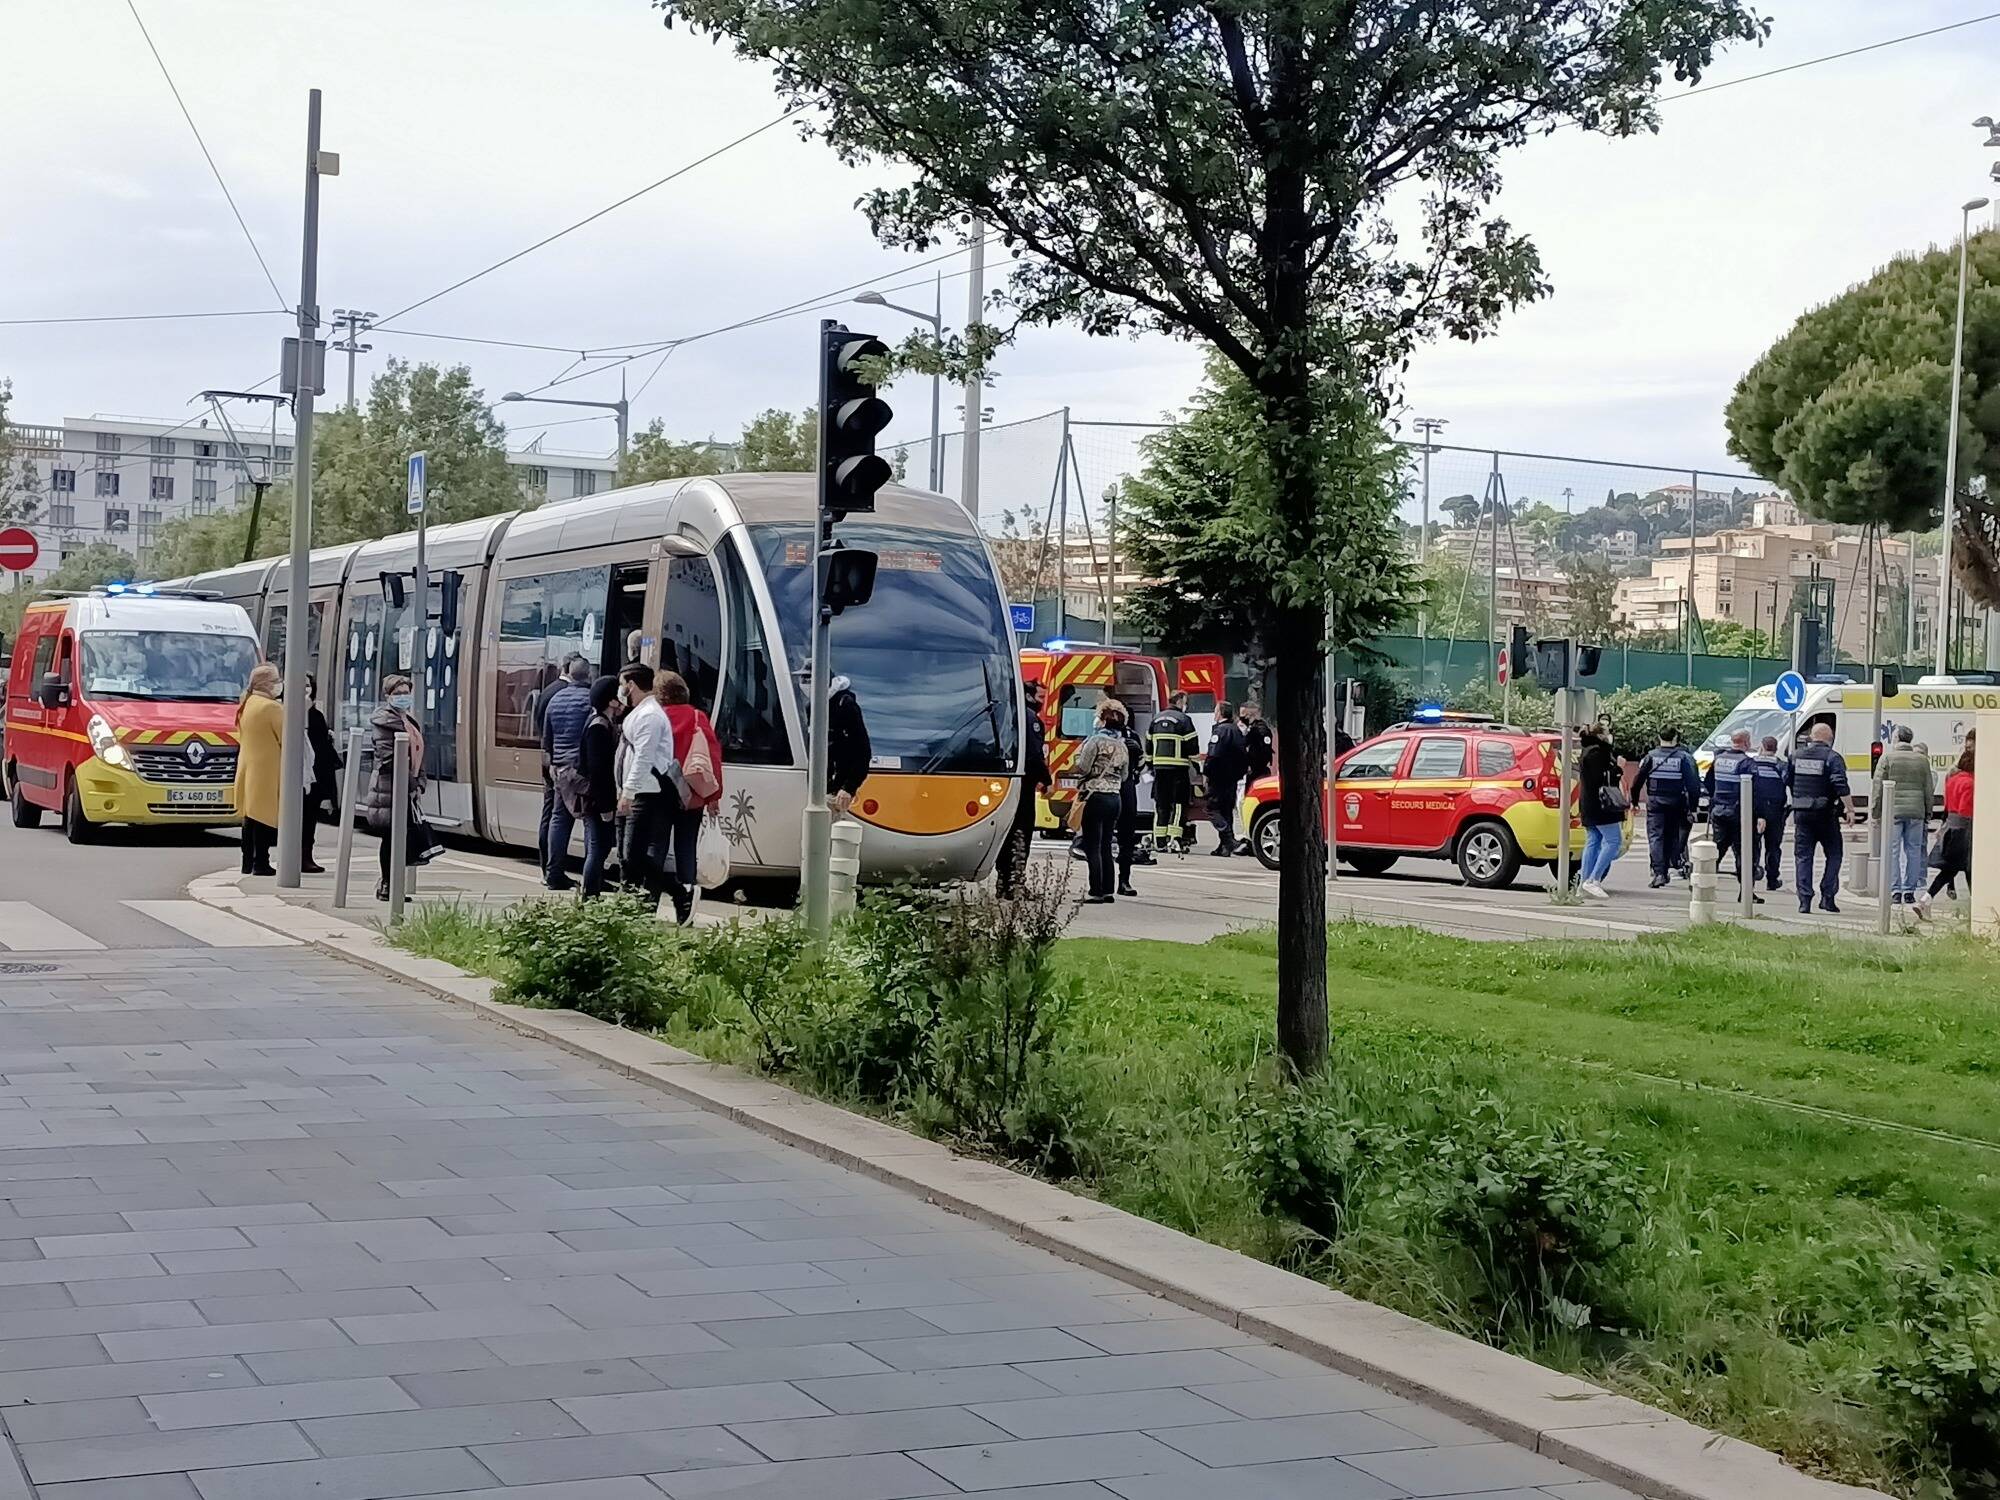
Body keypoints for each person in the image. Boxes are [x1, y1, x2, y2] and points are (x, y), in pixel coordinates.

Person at [657, 670, 723, 925]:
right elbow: (712, 757)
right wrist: (714, 796)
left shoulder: (656, 717)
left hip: (659, 793)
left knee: (656, 849)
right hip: (691, 795)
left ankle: (649, 902)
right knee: (686, 848)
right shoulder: (697, 717)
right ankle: (686, 903)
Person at [617, 662, 682, 901]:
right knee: (629, 856)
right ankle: (633, 906)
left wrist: (628, 792)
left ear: (631, 685)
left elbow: (643, 758)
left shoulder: (650, 716)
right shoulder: (642, 712)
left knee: (633, 855)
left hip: (649, 793)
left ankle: (677, 891)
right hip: (639, 791)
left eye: (622, 685)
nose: (621, 690)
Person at [362, 675, 425, 902]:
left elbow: (417, 753)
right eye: (398, 694)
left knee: (400, 838)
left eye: (406, 692)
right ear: (388, 696)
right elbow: (390, 758)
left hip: (406, 788)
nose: (403, 697)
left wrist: (420, 782)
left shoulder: (409, 721)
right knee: (391, 838)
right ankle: (387, 885)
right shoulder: (384, 721)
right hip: (389, 789)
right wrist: (412, 783)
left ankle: (393, 885)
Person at [538, 655, 595, 891]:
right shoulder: (590, 700)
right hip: (582, 769)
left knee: (559, 820)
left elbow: (546, 739)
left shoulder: (556, 699)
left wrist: (552, 763)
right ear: (589, 675)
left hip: (559, 768)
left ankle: (554, 873)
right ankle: (593, 875)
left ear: (569, 674)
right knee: (591, 821)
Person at [1788, 720, 1852, 915]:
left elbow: (1789, 781)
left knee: (1803, 857)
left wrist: (1800, 799)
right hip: (1826, 814)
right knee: (1834, 854)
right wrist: (1850, 809)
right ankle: (1828, 896)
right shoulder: (1833, 758)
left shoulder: (1795, 757)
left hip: (1802, 813)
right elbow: (1840, 784)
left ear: (1811, 737)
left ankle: (1804, 901)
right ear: (1830, 739)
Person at [997, 678, 1050, 898]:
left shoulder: (1009, 716)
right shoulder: (1031, 720)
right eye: (1040, 698)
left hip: (1008, 783)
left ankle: (1002, 883)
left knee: (1007, 834)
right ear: (1028, 696)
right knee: (1021, 834)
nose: (1042, 703)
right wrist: (1046, 779)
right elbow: (1035, 755)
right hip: (1024, 785)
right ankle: (1016, 885)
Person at [1873, 724, 1935, 910]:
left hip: (1893, 812)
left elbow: (1878, 787)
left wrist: (1876, 812)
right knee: (1914, 850)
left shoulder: (1887, 758)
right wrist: (1928, 812)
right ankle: (1910, 890)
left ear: (1896, 739)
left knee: (1892, 850)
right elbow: (1928, 789)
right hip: (1916, 811)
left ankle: (1895, 890)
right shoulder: (1922, 761)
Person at [1074, 700, 1129, 903]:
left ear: (1103, 719)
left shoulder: (1095, 741)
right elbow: (1124, 776)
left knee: (1092, 845)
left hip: (1095, 796)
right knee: (1106, 845)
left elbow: (1084, 767)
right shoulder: (1122, 746)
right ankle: (1108, 890)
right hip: (1115, 798)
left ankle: (1095, 890)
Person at [233, 662, 284, 878]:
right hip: (267, 769)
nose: (279, 685)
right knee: (263, 817)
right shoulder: (271, 708)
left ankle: (248, 861)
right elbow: (286, 737)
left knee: (250, 817)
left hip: (248, 766)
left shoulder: (248, 703)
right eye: (276, 681)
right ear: (266, 684)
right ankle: (261, 862)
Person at [1633, 726, 1698, 888]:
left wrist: (1634, 801)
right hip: (1677, 802)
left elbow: (1638, 781)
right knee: (1673, 835)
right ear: (1676, 737)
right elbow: (1693, 785)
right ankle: (1672, 863)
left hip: (1655, 801)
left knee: (1656, 837)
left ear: (1659, 737)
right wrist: (1693, 807)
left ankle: (1659, 873)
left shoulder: (1651, 757)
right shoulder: (1684, 758)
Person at [1703, 729, 1761, 904]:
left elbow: (1708, 783)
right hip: (1740, 814)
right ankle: (1746, 893)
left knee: (1717, 850)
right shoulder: (1747, 763)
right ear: (1746, 742)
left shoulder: (1719, 760)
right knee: (1744, 853)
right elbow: (1755, 791)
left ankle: (1700, 883)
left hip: (1719, 811)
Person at [579, 675, 623, 898]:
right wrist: (606, 806)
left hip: (596, 797)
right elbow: (598, 771)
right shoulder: (599, 727)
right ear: (611, 701)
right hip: (597, 800)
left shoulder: (600, 723)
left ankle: (591, 891)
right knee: (598, 847)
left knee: (600, 846)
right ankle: (589, 895)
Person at [1575, 723, 1624, 900]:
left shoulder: (1588, 750)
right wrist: (1618, 768)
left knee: (1593, 840)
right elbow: (1602, 778)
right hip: (1602, 804)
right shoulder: (1598, 753)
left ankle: (1583, 884)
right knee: (1614, 841)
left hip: (1589, 803)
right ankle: (1593, 879)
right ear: (1602, 735)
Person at [1148, 691, 1199, 854]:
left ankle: (1159, 841)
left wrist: (1150, 764)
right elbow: (1193, 747)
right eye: (1184, 701)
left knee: (1161, 805)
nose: (1185, 705)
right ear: (1179, 701)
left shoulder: (1155, 719)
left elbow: (1148, 745)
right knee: (1178, 805)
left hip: (1159, 769)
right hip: (1178, 769)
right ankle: (1174, 839)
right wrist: (1197, 767)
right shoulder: (1184, 720)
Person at [300, 673, 341, 876]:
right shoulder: (286, 713)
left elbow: (322, 751)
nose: (304, 689)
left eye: (307, 685)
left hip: (314, 776)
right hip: (296, 776)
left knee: (309, 819)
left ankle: (306, 856)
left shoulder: (316, 715)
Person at [1930, 742, 1975, 902]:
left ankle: (1926, 899)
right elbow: (1965, 810)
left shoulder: (1952, 780)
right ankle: (1977, 901)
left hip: (1950, 825)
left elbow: (1947, 806)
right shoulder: (1970, 782)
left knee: (1951, 867)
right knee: (1966, 867)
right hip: (1963, 830)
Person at [1203, 701, 1249, 857]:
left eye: (1216, 711)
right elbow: (1243, 756)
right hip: (1232, 779)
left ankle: (1229, 840)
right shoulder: (1237, 730)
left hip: (1218, 777)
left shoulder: (1220, 731)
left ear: (1220, 713)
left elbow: (1213, 755)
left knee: (1211, 808)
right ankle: (1224, 847)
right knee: (1226, 810)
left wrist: (1206, 772)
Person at [827, 674, 871, 816]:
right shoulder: (810, 704)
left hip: (836, 791)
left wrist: (849, 787)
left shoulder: (845, 705)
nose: (804, 683)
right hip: (815, 788)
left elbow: (863, 752)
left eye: (808, 678)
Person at [1751, 735, 1789, 893]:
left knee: (1753, 844)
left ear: (1761, 747)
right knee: (1773, 847)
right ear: (1775, 749)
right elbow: (1789, 783)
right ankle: (1772, 880)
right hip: (1776, 810)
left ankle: (1750, 875)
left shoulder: (1752, 764)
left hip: (1754, 809)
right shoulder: (1782, 766)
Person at [1116, 709, 1146, 897]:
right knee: (1113, 839)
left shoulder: (1130, 736)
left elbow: (1142, 762)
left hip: (1120, 789)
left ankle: (1120, 881)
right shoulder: (1099, 738)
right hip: (1115, 790)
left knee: (1124, 837)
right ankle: (1114, 882)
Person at [1240, 702, 1274, 786]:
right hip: (1252, 771)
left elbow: (1265, 751)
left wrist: (1253, 763)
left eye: (1243, 714)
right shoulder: (1251, 729)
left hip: (1259, 773)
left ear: (1249, 715)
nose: (1241, 717)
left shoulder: (1261, 730)